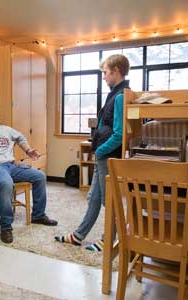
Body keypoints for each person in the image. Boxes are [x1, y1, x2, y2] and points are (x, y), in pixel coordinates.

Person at [55, 54, 130, 251]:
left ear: (115, 71)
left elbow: (120, 133)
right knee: (94, 198)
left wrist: (101, 150)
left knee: (108, 201)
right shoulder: (115, 93)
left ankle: (109, 240)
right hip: (103, 155)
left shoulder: (121, 96)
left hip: (108, 156)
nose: (103, 77)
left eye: (105, 73)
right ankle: (78, 236)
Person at [0, 102, 58, 244]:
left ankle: (38, 215)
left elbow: (20, 138)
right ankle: (6, 227)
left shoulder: (7, 130)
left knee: (40, 176)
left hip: (11, 165)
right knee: (6, 183)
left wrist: (28, 150)